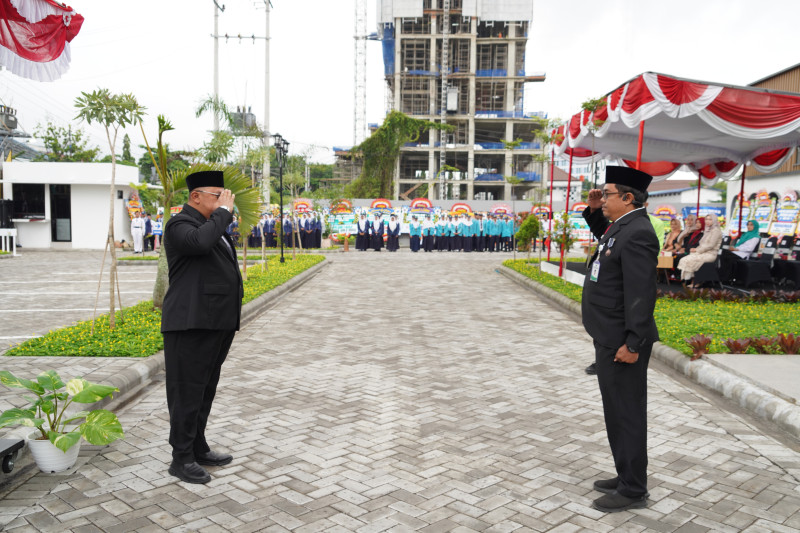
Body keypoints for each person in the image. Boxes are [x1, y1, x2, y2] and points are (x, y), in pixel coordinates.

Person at [581, 166, 659, 513]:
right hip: (609, 336)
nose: (604, 198)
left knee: (626, 414)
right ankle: (625, 472)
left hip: (623, 343)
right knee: (616, 412)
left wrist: (633, 343)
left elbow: (641, 293)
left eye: (608, 194)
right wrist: (595, 210)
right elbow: (607, 243)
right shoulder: (623, 226)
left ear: (628, 198)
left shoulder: (639, 232)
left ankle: (633, 489)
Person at [161, 170, 242, 484]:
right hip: (190, 322)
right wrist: (222, 214)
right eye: (216, 195)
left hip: (214, 322)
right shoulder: (181, 224)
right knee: (186, 392)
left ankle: (198, 446)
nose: (223, 202)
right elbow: (199, 243)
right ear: (195, 197)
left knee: (204, 390)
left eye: (224, 196)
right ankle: (180, 458)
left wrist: (219, 215)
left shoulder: (212, 225)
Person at [677, 214, 722, 288]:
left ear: (714, 220)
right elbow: (702, 244)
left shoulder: (716, 231)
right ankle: (689, 280)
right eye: (706, 219)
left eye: (710, 219)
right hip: (702, 252)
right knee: (685, 258)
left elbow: (710, 245)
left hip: (710, 254)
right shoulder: (707, 230)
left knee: (690, 259)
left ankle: (696, 282)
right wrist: (696, 250)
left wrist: (697, 250)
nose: (707, 221)